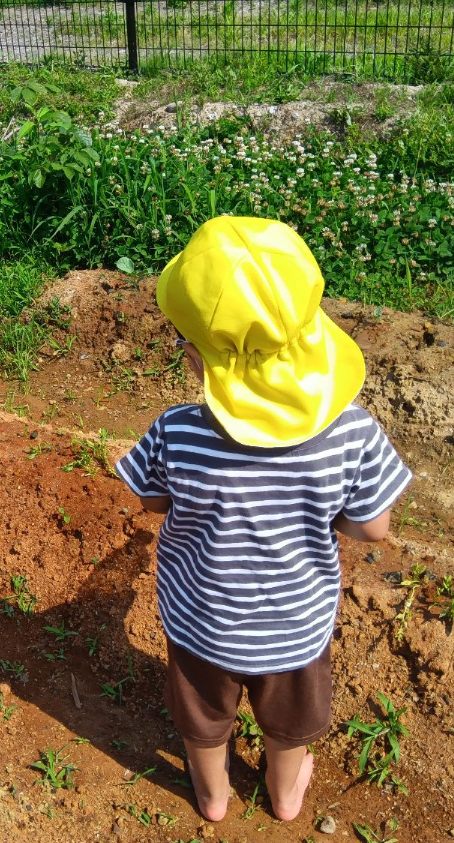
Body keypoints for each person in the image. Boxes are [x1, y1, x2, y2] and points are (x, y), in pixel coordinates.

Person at [115, 216, 411, 822]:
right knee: (288, 726)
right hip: (294, 629)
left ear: (198, 358)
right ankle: (284, 795)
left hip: (201, 624)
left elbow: (152, 502)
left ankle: (212, 798)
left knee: (203, 722)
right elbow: (373, 527)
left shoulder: (176, 431)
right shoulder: (352, 432)